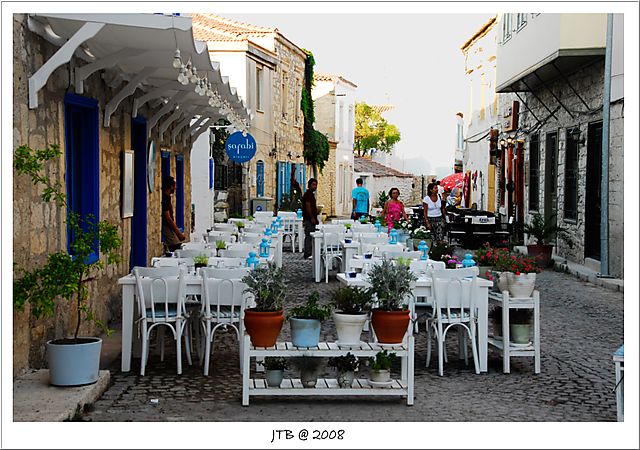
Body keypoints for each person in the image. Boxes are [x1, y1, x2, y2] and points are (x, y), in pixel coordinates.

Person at [162, 176, 186, 252]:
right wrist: (178, 233)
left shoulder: (168, 197)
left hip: (170, 227)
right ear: (171, 186)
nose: (176, 188)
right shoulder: (165, 199)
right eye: (174, 185)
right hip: (167, 227)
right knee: (176, 248)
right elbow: (168, 218)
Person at [302, 178, 319, 259]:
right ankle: (307, 252)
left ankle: (309, 252)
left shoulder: (311, 194)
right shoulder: (308, 194)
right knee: (309, 235)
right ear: (309, 185)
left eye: (316, 185)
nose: (315, 186)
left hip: (311, 218)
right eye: (313, 184)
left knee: (310, 235)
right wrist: (312, 217)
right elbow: (308, 206)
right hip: (309, 219)